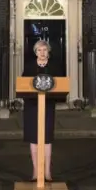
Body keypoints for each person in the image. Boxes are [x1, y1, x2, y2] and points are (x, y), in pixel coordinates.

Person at [21, 39, 65, 182]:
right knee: (34, 138)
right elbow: (22, 86)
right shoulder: (29, 67)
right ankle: (35, 171)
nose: (42, 53)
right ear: (35, 52)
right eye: (39, 50)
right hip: (32, 107)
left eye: (44, 50)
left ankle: (47, 172)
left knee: (46, 138)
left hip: (47, 106)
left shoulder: (55, 67)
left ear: (48, 52)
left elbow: (61, 85)